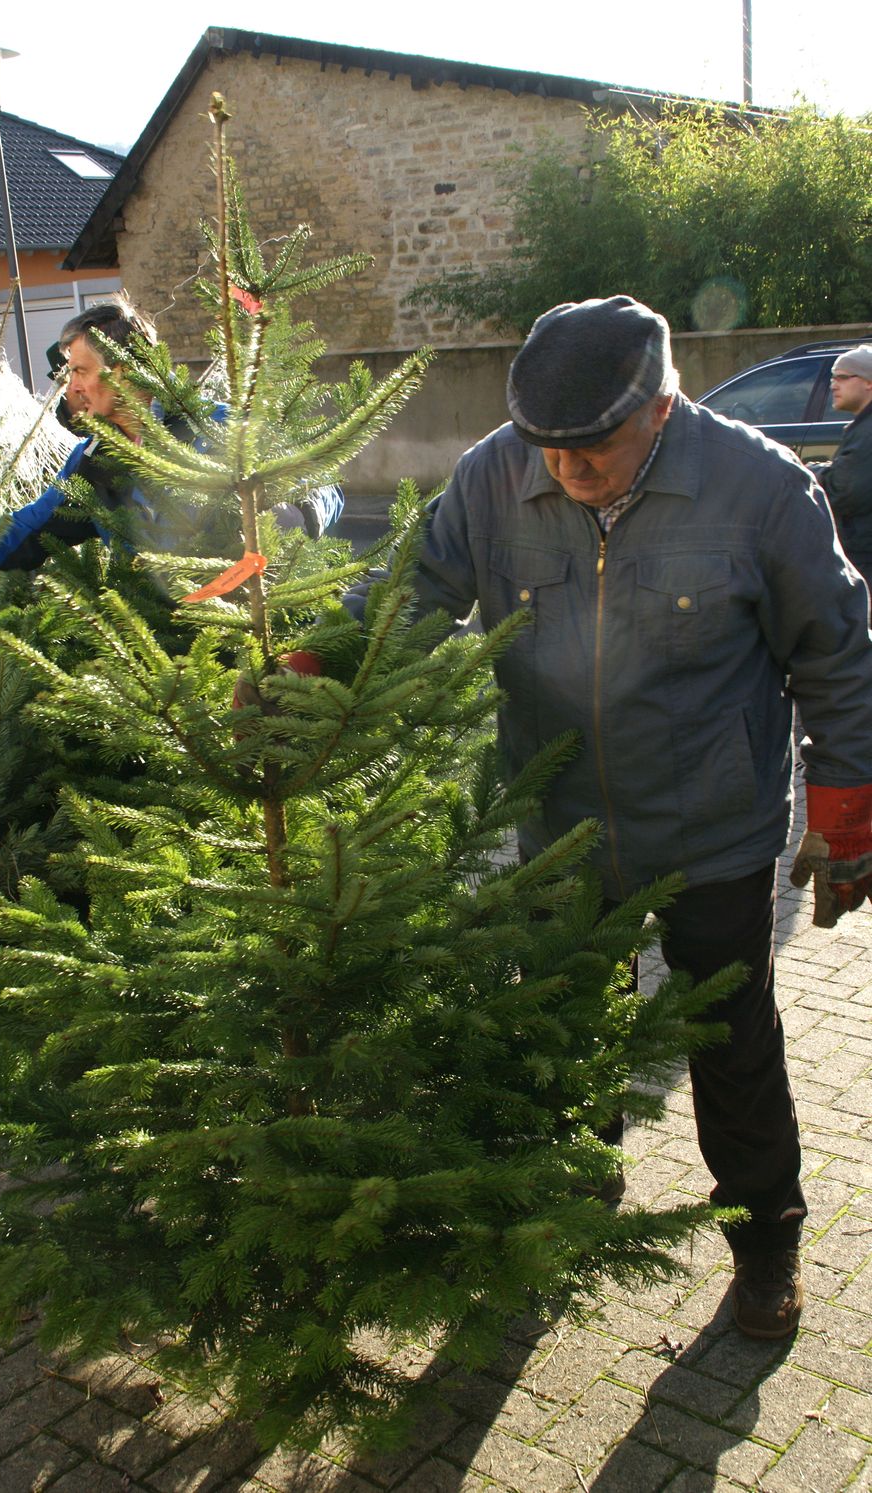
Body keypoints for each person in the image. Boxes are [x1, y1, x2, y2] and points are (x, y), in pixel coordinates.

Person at [348, 296, 872, 1340]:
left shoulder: (762, 488)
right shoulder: (495, 470)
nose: (569, 470)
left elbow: (837, 656)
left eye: (595, 447)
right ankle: (566, 1205)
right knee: (557, 1031)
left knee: (730, 1043)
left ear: (663, 407)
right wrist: (319, 667)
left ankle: (764, 1245)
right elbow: (410, 588)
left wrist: (848, 819)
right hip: (555, 824)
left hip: (714, 834)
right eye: (552, 447)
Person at [0, 297, 343, 574]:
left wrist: (294, 516)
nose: (70, 387)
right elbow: (25, 529)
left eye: (79, 371)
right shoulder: (93, 465)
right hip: (160, 648)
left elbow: (325, 486)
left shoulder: (214, 427)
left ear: (122, 372)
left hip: (243, 633)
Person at [809, 344, 872, 592]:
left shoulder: (868, 432)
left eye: (843, 377)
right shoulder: (864, 427)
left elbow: (843, 491)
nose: (833, 384)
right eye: (833, 377)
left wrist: (811, 473)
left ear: (868, 382)